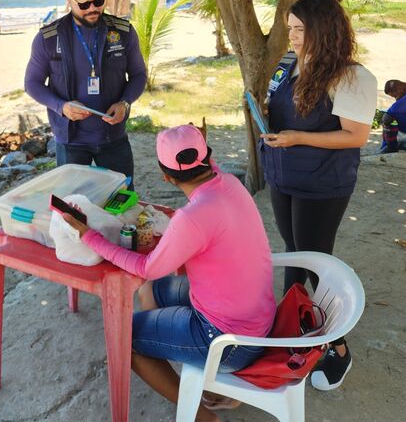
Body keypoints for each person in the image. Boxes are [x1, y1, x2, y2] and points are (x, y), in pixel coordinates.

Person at [63, 124, 276, 422]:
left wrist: (89, 236)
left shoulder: (192, 217)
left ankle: (204, 416)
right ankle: (182, 360)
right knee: (149, 289)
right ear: (206, 158)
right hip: (259, 320)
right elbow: (151, 277)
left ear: (165, 176)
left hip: (230, 341)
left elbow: (146, 267)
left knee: (125, 337)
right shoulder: (230, 183)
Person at [260, 0, 377, 391]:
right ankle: (291, 330)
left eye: (299, 30)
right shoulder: (290, 64)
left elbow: (356, 136)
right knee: (295, 253)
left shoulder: (352, 77)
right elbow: (280, 105)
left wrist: (297, 136)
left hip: (322, 183)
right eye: (289, 29)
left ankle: (337, 345)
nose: (291, 38)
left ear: (323, 31)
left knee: (314, 263)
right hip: (284, 174)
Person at [24, 0, 146, 186]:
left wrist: (125, 103)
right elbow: (32, 83)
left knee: (120, 199)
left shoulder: (122, 32)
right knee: (73, 204)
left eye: (98, 1)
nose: (93, 8)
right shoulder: (49, 38)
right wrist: (61, 107)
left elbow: (138, 75)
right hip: (70, 140)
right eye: (84, 3)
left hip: (113, 137)